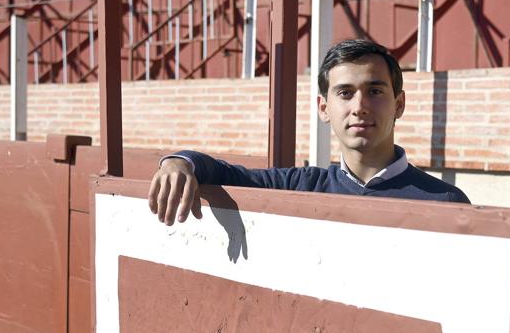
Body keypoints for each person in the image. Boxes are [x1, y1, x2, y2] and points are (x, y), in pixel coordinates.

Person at [148, 39, 470, 226]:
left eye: (374, 91)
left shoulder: (447, 202)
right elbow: (225, 173)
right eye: (345, 93)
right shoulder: (301, 186)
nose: (360, 106)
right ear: (323, 108)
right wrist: (179, 162)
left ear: (399, 105)